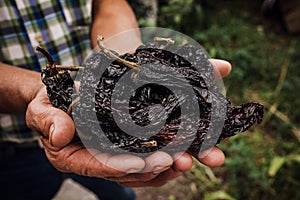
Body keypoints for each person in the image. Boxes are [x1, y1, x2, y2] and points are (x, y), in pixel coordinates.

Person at [0, 0, 230, 199]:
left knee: (118, 190)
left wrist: (126, 64)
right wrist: (35, 92)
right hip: (13, 149)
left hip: (85, 133)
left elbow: (109, 4)